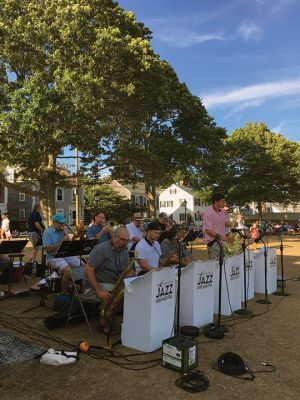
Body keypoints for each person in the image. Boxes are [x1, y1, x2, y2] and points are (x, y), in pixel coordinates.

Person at [84, 226, 132, 333]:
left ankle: (109, 316)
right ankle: (103, 321)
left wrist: (130, 274)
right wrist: (99, 291)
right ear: (114, 237)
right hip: (94, 287)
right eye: (123, 239)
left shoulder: (124, 250)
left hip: (113, 283)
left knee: (131, 292)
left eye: (127, 240)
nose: (125, 243)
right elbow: (88, 269)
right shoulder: (101, 249)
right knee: (116, 293)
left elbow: (125, 270)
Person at [42, 214, 81, 295]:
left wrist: (70, 241)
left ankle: (74, 285)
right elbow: (48, 249)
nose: (62, 225)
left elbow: (67, 247)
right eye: (60, 223)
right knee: (68, 271)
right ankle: (64, 292)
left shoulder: (62, 231)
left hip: (64, 254)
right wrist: (61, 242)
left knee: (83, 265)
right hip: (53, 256)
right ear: (54, 222)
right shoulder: (47, 232)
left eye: (63, 223)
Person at [203, 193, 229, 260]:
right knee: (215, 265)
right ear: (216, 201)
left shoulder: (222, 211)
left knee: (223, 264)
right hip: (213, 243)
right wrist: (221, 237)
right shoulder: (208, 213)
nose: (224, 203)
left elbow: (226, 223)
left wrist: (234, 222)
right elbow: (208, 230)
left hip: (222, 242)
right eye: (223, 201)